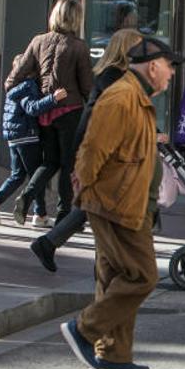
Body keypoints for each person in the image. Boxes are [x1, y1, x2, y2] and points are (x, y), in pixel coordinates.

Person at [60, 37, 182, 369]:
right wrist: (84, 189)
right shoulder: (122, 96)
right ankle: (84, 329)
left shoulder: (136, 96)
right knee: (143, 276)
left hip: (126, 200)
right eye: (169, 66)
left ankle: (114, 355)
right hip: (117, 202)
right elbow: (94, 147)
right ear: (153, 66)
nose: (171, 74)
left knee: (115, 276)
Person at [29, 29, 144, 273]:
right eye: (138, 48)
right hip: (105, 152)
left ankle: (49, 243)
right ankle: (101, 266)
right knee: (104, 209)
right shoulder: (113, 78)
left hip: (105, 150)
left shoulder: (114, 76)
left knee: (94, 206)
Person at [3, 0, 95, 226]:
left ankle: (27, 195)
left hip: (44, 112)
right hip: (69, 111)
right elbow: (87, 87)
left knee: (50, 161)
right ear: (76, 19)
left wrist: (34, 95)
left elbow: (11, 81)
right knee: (67, 164)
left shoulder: (38, 41)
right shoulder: (79, 47)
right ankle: (64, 216)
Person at [0, 54, 68, 226]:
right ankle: (40, 215)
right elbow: (32, 108)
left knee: (18, 175)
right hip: (26, 135)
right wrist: (53, 98)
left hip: (14, 136)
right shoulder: (27, 86)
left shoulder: (13, 85)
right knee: (37, 176)